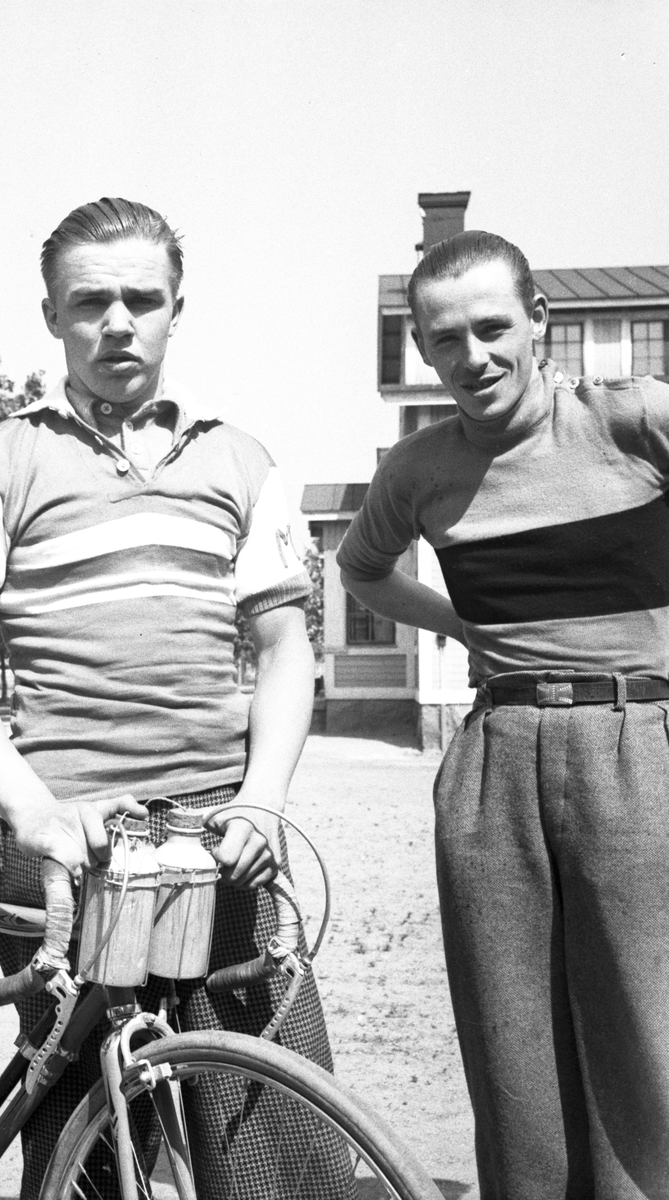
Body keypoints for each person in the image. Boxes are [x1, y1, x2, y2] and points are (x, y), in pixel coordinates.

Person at [0, 198, 348, 1199]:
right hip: (66, 835)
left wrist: (262, 800)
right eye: (89, 302)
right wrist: (30, 810)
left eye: (142, 301)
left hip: (220, 830)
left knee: (269, 1129)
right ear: (51, 316)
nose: (118, 323)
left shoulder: (241, 461)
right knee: (89, 1140)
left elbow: (285, 648)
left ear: (175, 310)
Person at [337, 230, 669, 1199]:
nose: (472, 357)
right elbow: (361, 570)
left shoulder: (632, 419)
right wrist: (461, 624)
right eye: (445, 339)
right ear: (421, 348)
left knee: (645, 1027)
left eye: (491, 329)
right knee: (508, 1034)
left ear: (538, 322)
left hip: (633, 744)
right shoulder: (419, 469)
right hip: (496, 755)